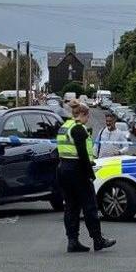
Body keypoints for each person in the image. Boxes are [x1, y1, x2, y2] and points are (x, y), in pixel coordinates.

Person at [54, 101, 116, 255]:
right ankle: (98, 239)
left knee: (71, 207)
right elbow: (82, 156)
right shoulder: (78, 129)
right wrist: (91, 175)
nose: (88, 119)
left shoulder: (64, 127)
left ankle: (72, 241)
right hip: (78, 171)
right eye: (87, 116)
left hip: (63, 169)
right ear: (83, 114)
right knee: (90, 206)